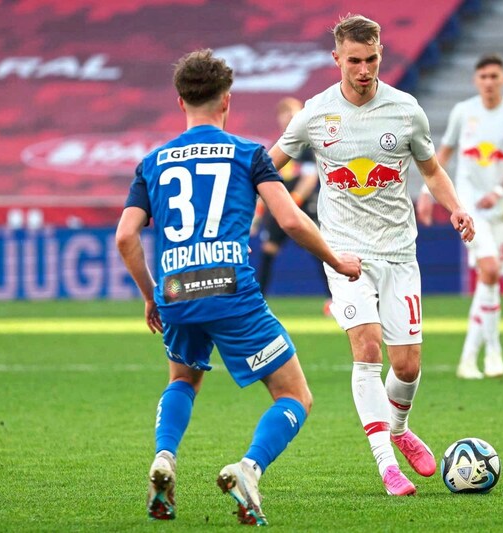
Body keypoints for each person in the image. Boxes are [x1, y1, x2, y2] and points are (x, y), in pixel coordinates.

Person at [115, 48, 361, 525]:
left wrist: (150, 294)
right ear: (227, 100)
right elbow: (289, 219)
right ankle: (249, 469)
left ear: (179, 100)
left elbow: (126, 236)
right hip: (232, 290)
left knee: (183, 379)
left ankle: (164, 457)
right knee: (295, 396)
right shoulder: (248, 154)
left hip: (177, 290)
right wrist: (335, 258)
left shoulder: (153, 162)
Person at [268, 14, 475, 496]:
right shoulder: (316, 114)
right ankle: (386, 465)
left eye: (373, 59)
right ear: (337, 58)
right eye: (355, 60)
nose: (364, 70)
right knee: (366, 347)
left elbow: (432, 170)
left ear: (381, 55)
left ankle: (400, 431)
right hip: (345, 256)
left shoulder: (405, 111)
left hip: (400, 253)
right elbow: (268, 164)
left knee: (407, 366)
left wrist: (457, 208)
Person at [417, 53, 503, 380]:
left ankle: (469, 359)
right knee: (491, 269)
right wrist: (427, 193)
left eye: (494, 76)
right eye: (483, 77)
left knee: (490, 280)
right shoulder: (463, 112)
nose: (489, 82)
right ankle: (494, 352)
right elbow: (441, 155)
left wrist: (498, 190)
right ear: (475, 80)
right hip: (468, 208)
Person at [251, 97, 329, 298]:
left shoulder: (306, 146)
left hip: (303, 206)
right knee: (269, 250)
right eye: (284, 115)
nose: (288, 119)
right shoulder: (277, 148)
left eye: (293, 114)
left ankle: (336, 299)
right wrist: (258, 215)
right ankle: (261, 299)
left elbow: (310, 178)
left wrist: (291, 203)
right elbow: (264, 184)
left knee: (320, 250)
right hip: (280, 207)